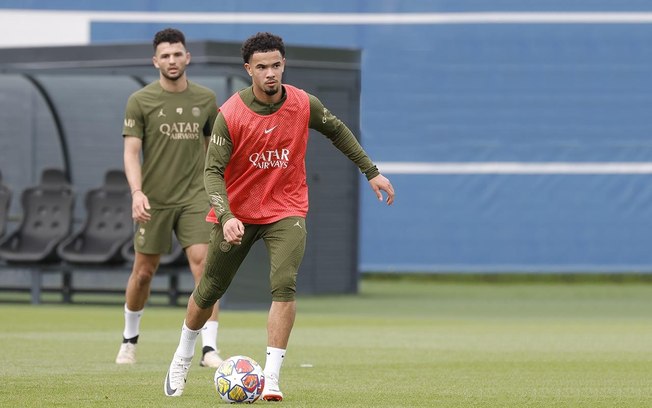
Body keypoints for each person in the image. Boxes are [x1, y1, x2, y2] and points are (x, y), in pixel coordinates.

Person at [163, 32, 395, 400]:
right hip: (237, 214)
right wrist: (225, 217)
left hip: (286, 209)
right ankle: (183, 355)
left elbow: (337, 131)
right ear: (248, 70)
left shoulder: (304, 104)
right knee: (208, 291)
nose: (270, 73)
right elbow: (212, 173)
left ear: (283, 64)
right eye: (261, 67)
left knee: (284, 285)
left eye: (275, 65)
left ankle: (271, 378)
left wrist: (372, 171)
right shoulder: (231, 114)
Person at [116, 28, 222, 368]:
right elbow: (131, 153)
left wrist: (218, 191)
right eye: (165, 55)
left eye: (177, 54)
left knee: (205, 266)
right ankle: (129, 340)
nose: (172, 60)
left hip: (195, 197)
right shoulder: (140, 100)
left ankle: (209, 349)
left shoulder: (206, 99)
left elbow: (215, 151)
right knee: (143, 273)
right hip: (155, 200)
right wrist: (137, 193)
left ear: (187, 57)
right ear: (155, 61)